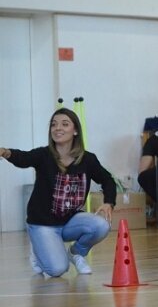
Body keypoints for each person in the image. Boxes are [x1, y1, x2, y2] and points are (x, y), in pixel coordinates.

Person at [0, 108, 114, 277]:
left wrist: (108, 202)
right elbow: (23, 158)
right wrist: (5, 152)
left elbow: (107, 179)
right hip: (42, 223)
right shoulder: (43, 155)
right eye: (53, 125)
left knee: (101, 225)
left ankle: (76, 253)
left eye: (64, 124)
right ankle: (38, 249)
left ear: (75, 131)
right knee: (58, 269)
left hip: (69, 221)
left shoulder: (88, 159)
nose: (57, 128)